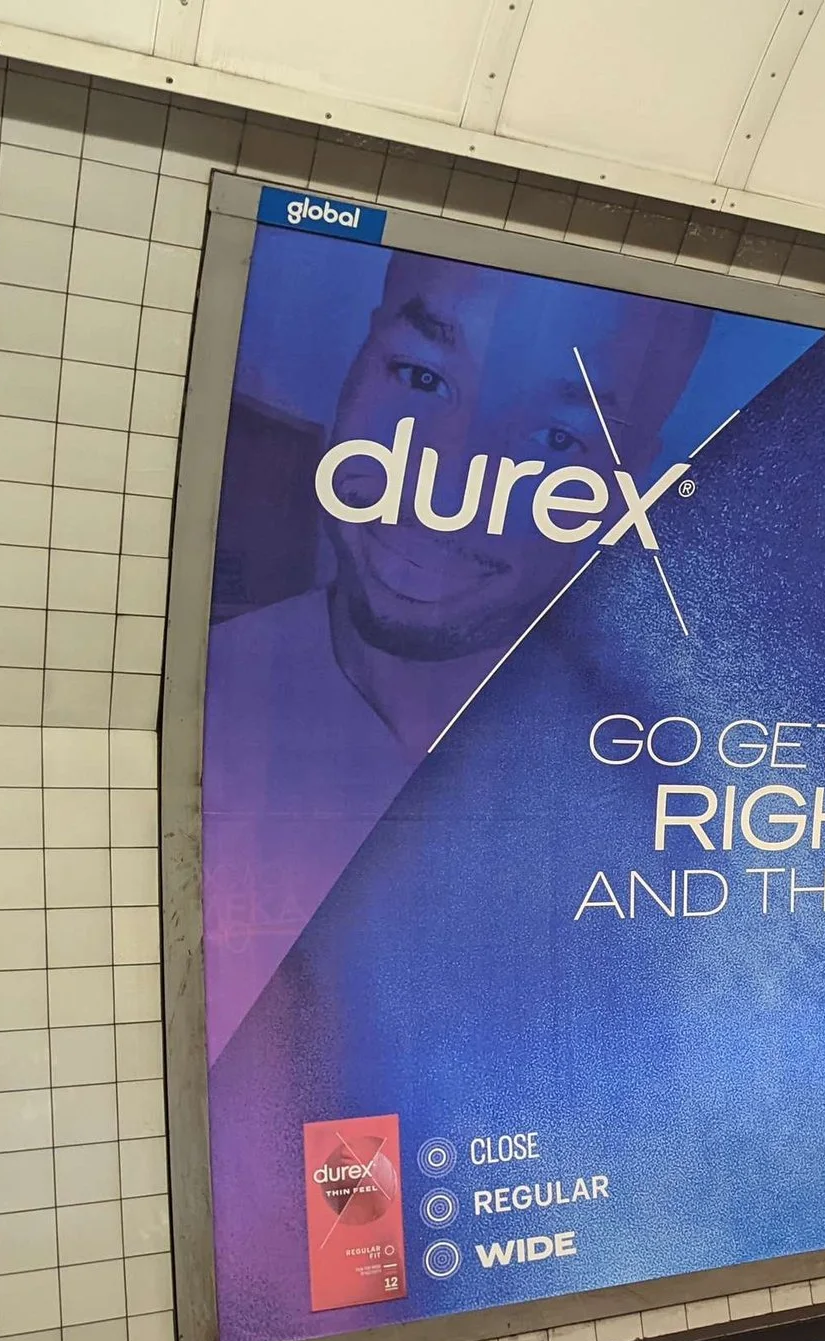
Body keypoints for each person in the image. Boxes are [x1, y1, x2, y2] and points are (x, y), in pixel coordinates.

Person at [202, 253, 711, 1059]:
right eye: (420, 376)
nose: (443, 485)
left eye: (556, 438)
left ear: (627, 488)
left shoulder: (674, 800)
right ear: (356, 363)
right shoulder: (202, 712)